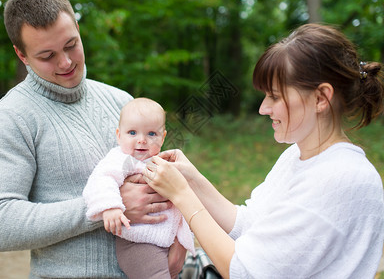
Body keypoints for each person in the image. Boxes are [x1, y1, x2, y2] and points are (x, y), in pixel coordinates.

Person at [143, 23, 384, 278]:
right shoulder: (297, 155)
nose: (263, 108)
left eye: (275, 97)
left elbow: (244, 271)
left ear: (321, 98)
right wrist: (192, 181)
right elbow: (251, 225)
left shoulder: (342, 178)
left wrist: (182, 195)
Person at [0, 0, 185, 279]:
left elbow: (160, 179)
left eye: (71, 44)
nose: (65, 62)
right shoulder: (7, 120)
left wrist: (180, 243)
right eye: (47, 55)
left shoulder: (122, 102)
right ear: (21, 55)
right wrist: (105, 208)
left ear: (77, 28)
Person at [83, 97, 195, 278]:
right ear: (119, 135)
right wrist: (110, 207)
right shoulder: (120, 160)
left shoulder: (162, 161)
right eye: (133, 133)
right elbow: (101, 181)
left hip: (166, 239)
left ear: (163, 137)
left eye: (151, 134)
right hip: (138, 242)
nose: (142, 140)